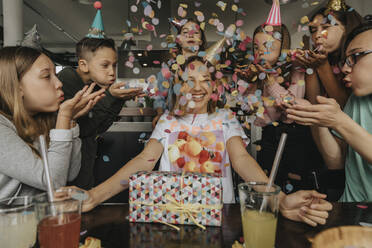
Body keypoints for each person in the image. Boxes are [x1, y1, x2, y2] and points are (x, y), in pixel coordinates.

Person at [66, 56, 332, 227]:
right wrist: (93, 196)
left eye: (206, 80)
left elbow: (241, 159)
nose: (198, 86)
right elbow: (144, 160)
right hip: (171, 219)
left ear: (214, 87)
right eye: (189, 80)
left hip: (220, 219)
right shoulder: (169, 121)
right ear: (178, 86)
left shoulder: (225, 118)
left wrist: (280, 200)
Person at [0, 46, 104, 199]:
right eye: (47, 76)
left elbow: (69, 174)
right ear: (17, 86)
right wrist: (64, 119)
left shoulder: (40, 120)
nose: (59, 83)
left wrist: (70, 122)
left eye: (55, 75)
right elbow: (53, 182)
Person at [286, 22, 372, 202]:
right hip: (350, 210)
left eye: (355, 56)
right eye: (345, 60)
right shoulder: (357, 100)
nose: (345, 69)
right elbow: (336, 162)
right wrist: (316, 118)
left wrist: (340, 121)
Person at [58, 37, 143, 190]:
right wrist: (111, 97)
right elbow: (84, 129)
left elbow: (99, 128)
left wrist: (118, 99)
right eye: (105, 65)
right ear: (84, 65)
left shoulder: (95, 86)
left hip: (85, 172)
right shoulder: (66, 81)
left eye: (115, 65)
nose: (112, 72)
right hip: (66, 177)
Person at [295, 0, 362, 107]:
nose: (317, 35)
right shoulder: (321, 60)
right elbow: (314, 105)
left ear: (346, 28)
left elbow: (347, 108)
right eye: (313, 30)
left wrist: (322, 66)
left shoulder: (360, 59)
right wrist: (311, 66)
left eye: (325, 27)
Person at [152, 18, 207, 128]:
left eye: (195, 32)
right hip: (175, 123)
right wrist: (159, 114)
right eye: (185, 32)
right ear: (179, 40)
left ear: (200, 41)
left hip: (204, 124)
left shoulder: (209, 66)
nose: (190, 35)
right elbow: (159, 97)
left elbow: (220, 99)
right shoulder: (168, 67)